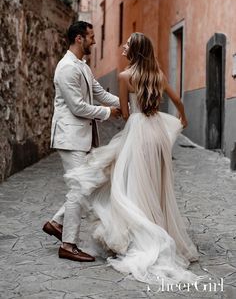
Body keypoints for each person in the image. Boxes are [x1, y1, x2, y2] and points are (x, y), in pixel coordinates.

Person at [65, 32, 201, 284]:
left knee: (132, 186)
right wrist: (183, 118)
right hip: (158, 133)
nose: (123, 46)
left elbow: (126, 114)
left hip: (138, 131)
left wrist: (129, 115)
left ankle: (139, 236)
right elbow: (178, 100)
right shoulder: (158, 75)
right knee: (155, 183)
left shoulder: (125, 76)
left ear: (136, 50)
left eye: (127, 44)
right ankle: (158, 228)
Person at [42, 21, 120, 262]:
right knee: (79, 188)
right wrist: (107, 113)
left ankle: (56, 223)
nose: (94, 41)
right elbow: (77, 107)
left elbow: (99, 93)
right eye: (91, 37)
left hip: (80, 137)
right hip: (70, 138)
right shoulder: (66, 68)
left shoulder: (82, 67)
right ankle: (68, 244)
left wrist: (126, 103)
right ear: (79, 39)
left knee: (88, 184)